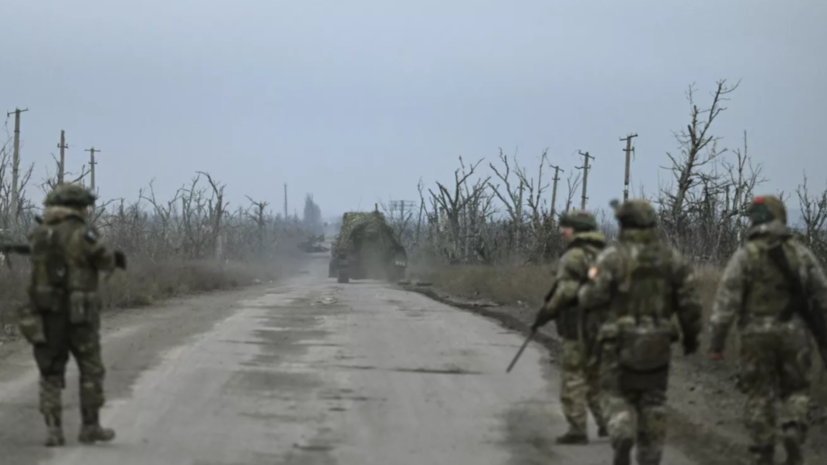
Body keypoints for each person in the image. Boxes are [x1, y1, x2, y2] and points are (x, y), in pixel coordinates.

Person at [577, 199, 702, 465]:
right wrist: (691, 337)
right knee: (653, 401)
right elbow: (690, 303)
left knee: (614, 393)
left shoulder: (611, 258)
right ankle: (650, 457)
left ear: (622, 225)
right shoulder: (670, 258)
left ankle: (621, 430)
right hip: (657, 342)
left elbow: (590, 298)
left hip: (617, 341)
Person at [709, 195, 827, 465]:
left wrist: (716, 342)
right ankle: (793, 428)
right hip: (795, 335)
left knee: (760, 393)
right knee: (796, 390)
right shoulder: (800, 254)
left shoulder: (745, 256)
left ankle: (762, 449)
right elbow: (822, 296)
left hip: (755, 335)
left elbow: (726, 301)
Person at [27, 183, 126, 446]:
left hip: (48, 313)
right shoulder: (84, 233)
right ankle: (90, 427)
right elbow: (105, 260)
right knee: (90, 368)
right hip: (80, 314)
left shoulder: (39, 233)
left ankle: (53, 430)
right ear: (77, 207)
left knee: (50, 371)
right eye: (84, 206)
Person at [532, 209, 608, 444]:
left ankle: (577, 429)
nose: (563, 231)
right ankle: (610, 422)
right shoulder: (604, 254)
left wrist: (547, 312)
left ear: (577, 229)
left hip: (577, 324)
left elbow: (566, 290)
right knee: (595, 376)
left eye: (567, 226)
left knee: (574, 376)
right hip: (603, 324)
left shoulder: (574, 255)